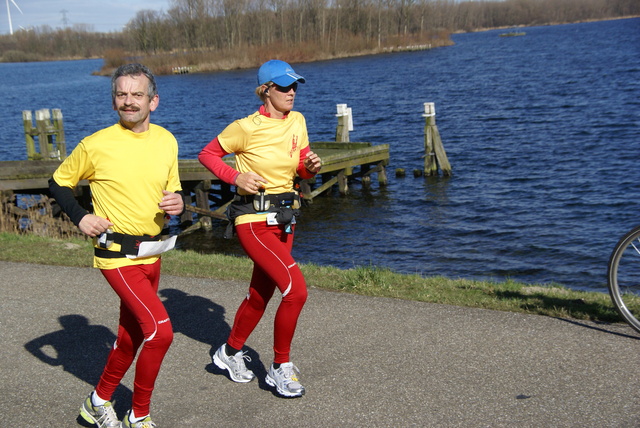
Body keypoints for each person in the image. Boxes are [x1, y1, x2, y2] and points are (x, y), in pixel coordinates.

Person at [49, 63, 184, 428]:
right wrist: (80, 217)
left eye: (137, 94)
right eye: (122, 94)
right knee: (160, 331)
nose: (129, 101)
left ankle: (97, 402)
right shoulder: (95, 145)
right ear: (113, 101)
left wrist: (179, 202)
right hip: (115, 256)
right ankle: (138, 415)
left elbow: (173, 188)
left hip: (152, 253)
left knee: (132, 336)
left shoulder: (167, 140)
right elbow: (58, 182)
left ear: (153, 101)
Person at [198, 59, 322, 398]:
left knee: (260, 295)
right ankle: (280, 368)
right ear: (265, 90)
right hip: (253, 221)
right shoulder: (245, 127)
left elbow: (300, 168)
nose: (291, 92)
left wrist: (311, 167)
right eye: (284, 86)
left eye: (294, 85)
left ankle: (228, 353)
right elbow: (207, 154)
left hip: (285, 220)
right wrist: (235, 176)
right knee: (296, 291)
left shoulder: (298, 121)